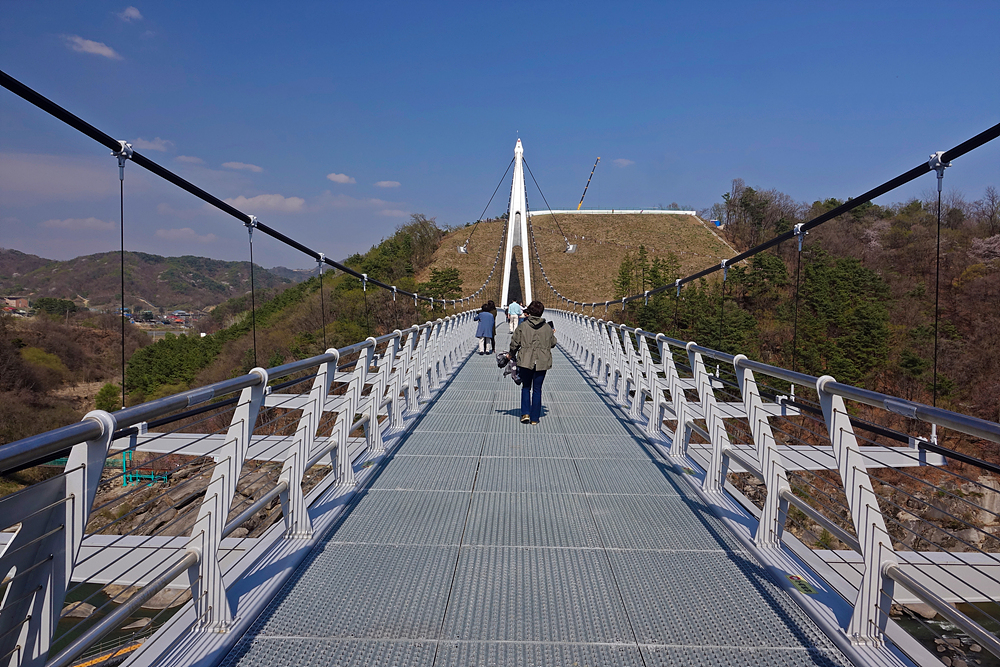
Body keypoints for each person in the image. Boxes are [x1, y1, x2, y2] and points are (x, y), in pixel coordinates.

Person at [509, 300, 556, 425]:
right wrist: (552, 334)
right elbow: (552, 343)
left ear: (529, 311)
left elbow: (515, 343)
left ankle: (525, 413)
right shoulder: (547, 327)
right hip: (542, 361)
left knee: (526, 387)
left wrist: (511, 354)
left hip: (525, 360)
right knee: (537, 389)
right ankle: (535, 418)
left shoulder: (523, 326)